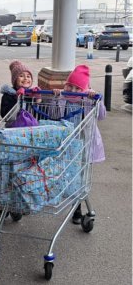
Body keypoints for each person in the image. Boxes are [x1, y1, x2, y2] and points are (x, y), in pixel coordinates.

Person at [52, 64, 106, 224]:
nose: (73, 91)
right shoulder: (63, 99)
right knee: (65, 173)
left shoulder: (88, 100)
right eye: (70, 86)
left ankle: (77, 208)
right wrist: (56, 98)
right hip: (66, 143)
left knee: (79, 175)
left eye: (77, 88)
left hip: (83, 144)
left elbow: (101, 116)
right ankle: (64, 199)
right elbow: (53, 115)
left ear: (84, 89)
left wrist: (97, 99)